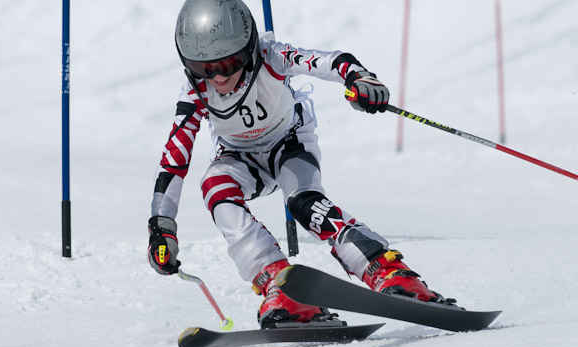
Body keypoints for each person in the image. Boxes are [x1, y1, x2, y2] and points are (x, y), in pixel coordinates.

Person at [148, 0, 444, 328]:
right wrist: (163, 228)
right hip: (240, 159)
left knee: (306, 204)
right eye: (205, 68)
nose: (218, 78)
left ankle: (390, 272)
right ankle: (280, 285)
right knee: (215, 187)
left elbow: (327, 61)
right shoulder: (194, 91)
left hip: (289, 145)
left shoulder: (271, 56)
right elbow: (174, 160)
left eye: (229, 63)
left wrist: (360, 78)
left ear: (248, 49)